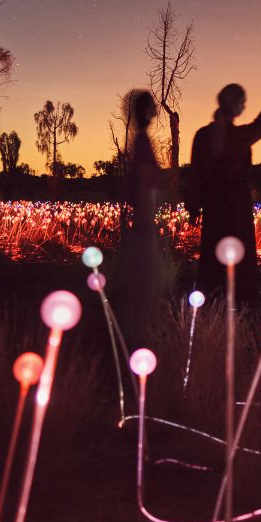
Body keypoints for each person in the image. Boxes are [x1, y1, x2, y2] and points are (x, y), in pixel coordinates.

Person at [187, 72, 261, 307]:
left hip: (213, 206)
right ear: (235, 106)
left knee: (213, 257)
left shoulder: (203, 136)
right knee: (240, 258)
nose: (244, 106)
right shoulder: (238, 136)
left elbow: (195, 173)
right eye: (242, 103)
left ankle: (212, 302)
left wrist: (193, 207)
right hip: (236, 207)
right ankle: (242, 303)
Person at [118, 89, 162, 342]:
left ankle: (136, 333)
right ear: (146, 111)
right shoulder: (143, 142)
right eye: (152, 106)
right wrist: (147, 222)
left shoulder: (138, 141)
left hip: (142, 220)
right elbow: (144, 182)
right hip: (144, 222)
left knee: (140, 281)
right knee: (143, 281)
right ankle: (138, 336)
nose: (156, 109)